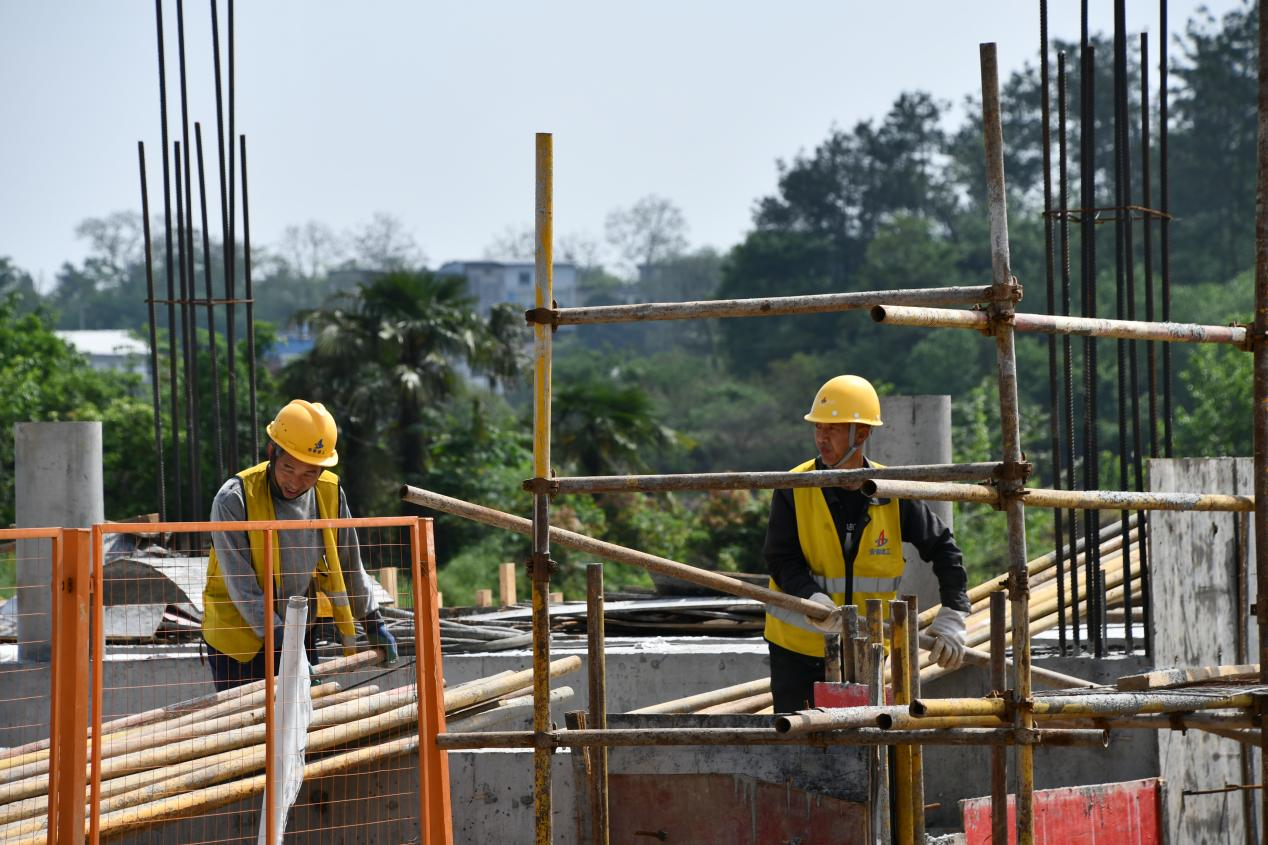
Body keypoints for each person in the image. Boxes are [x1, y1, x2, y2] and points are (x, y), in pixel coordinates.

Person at [763, 375, 971, 713]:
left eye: (831, 429)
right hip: (798, 649)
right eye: (818, 428)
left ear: (861, 434)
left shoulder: (891, 490)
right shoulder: (793, 485)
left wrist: (953, 614)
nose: (821, 438)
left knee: (864, 749)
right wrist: (811, 598)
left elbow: (944, 548)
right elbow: (781, 558)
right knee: (799, 749)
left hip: (867, 651)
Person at [201, 399, 398, 691]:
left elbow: (349, 564)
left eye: (309, 474)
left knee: (298, 729)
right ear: (272, 453)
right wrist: (285, 647)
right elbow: (243, 588)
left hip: (298, 629)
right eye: (288, 468)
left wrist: (372, 621)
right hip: (238, 641)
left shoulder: (330, 493)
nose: (296, 482)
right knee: (247, 733)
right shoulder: (234, 499)